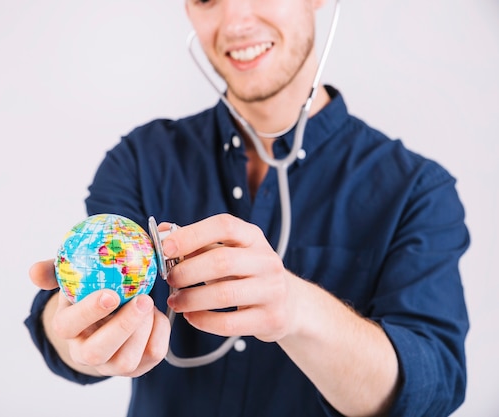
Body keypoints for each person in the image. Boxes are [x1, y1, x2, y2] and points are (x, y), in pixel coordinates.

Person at [25, 0, 469, 416]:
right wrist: (75, 335)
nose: (235, 22)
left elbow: (431, 386)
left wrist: (297, 308)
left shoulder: (416, 190)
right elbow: (66, 320)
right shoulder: (142, 159)